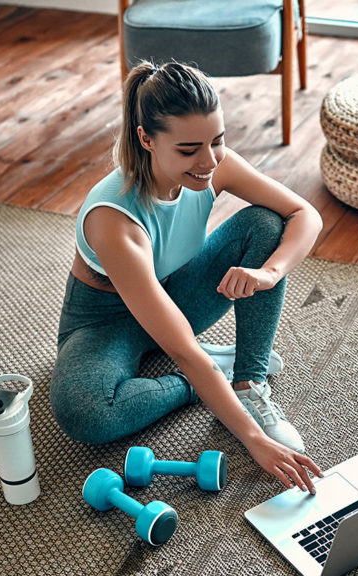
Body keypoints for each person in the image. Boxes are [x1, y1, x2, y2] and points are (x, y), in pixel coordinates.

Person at [50, 61, 323, 493]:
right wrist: (253, 441)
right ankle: (206, 379)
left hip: (173, 291)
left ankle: (248, 379)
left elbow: (304, 214)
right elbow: (181, 348)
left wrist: (270, 273)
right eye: (189, 149)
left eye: (218, 141)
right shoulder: (113, 219)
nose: (209, 160)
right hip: (104, 319)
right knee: (86, 411)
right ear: (146, 139)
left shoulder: (214, 165)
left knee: (266, 225)